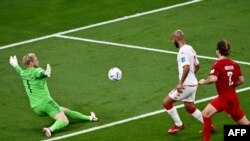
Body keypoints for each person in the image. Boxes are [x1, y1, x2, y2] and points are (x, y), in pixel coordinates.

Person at [9, 53, 98, 137]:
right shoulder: (37, 70)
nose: (38, 61)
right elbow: (39, 74)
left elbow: (19, 70)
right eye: (36, 60)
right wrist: (45, 73)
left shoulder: (24, 73)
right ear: (31, 63)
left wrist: (15, 65)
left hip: (36, 108)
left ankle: (90, 118)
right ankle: (50, 129)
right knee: (64, 120)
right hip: (46, 103)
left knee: (65, 110)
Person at [198, 40, 250, 141]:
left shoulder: (217, 65)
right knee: (205, 113)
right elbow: (241, 80)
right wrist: (230, 86)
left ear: (218, 50)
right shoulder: (235, 64)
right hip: (224, 98)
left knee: (245, 124)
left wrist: (203, 81)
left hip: (229, 102)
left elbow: (213, 79)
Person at [163, 30, 204, 134]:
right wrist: (191, 76)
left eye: (173, 39)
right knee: (189, 108)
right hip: (193, 83)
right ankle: (209, 125)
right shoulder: (190, 48)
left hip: (186, 85)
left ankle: (178, 125)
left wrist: (181, 83)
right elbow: (197, 65)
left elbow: (186, 67)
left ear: (177, 39)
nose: (172, 41)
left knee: (166, 102)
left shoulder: (182, 52)